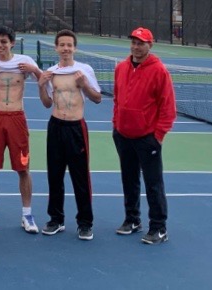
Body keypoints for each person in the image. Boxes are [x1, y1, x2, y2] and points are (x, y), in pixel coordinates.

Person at [0, 26, 41, 233]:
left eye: (4, 41)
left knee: (23, 168)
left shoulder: (25, 61)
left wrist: (35, 71)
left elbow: (44, 82)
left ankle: (27, 215)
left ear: (12, 42)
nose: (0, 45)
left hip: (17, 118)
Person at [112, 27, 176, 244]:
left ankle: (159, 228)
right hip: (123, 135)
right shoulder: (121, 67)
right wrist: (116, 124)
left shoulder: (159, 71)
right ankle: (132, 220)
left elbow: (168, 108)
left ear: (150, 45)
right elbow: (117, 99)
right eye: (133, 42)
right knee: (128, 180)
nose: (136, 47)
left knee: (153, 183)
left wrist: (158, 136)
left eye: (140, 43)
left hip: (147, 138)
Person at [37, 29, 102, 240]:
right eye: (62, 45)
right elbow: (47, 103)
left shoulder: (84, 70)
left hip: (76, 128)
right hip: (55, 126)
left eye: (69, 45)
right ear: (56, 48)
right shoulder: (51, 72)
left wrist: (84, 84)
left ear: (74, 48)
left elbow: (97, 98)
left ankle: (85, 223)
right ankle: (56, 219)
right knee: (54, 176)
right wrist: (40, 86)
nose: (66, 48)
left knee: (80, 178)